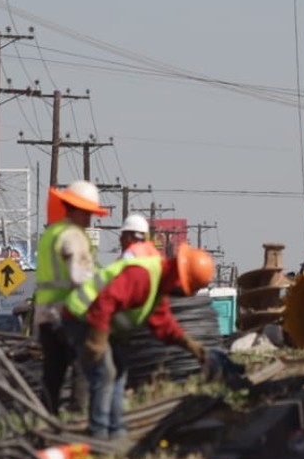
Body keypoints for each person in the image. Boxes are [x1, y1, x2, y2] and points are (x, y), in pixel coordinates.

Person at [65, 243, 218, 439]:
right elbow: (105, 301)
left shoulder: (158, 287)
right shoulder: (142, 275)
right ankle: (99, 433)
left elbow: (163, 324)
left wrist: (190, 345)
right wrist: (97, 341)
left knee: (119, 373)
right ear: (179, 277)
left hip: (100, 323)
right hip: (82, 316)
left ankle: (116, 431)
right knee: (105, 374)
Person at [33, 179, 108, 415]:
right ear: (75, 209)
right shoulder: (73, 235)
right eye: (87, 213)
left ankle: (47, 419)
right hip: (69, 314)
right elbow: (80, 277)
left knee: (52, 374)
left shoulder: (50, 234)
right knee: (84, 365)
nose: (89, 219)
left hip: (45, 316)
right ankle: (77, 415)